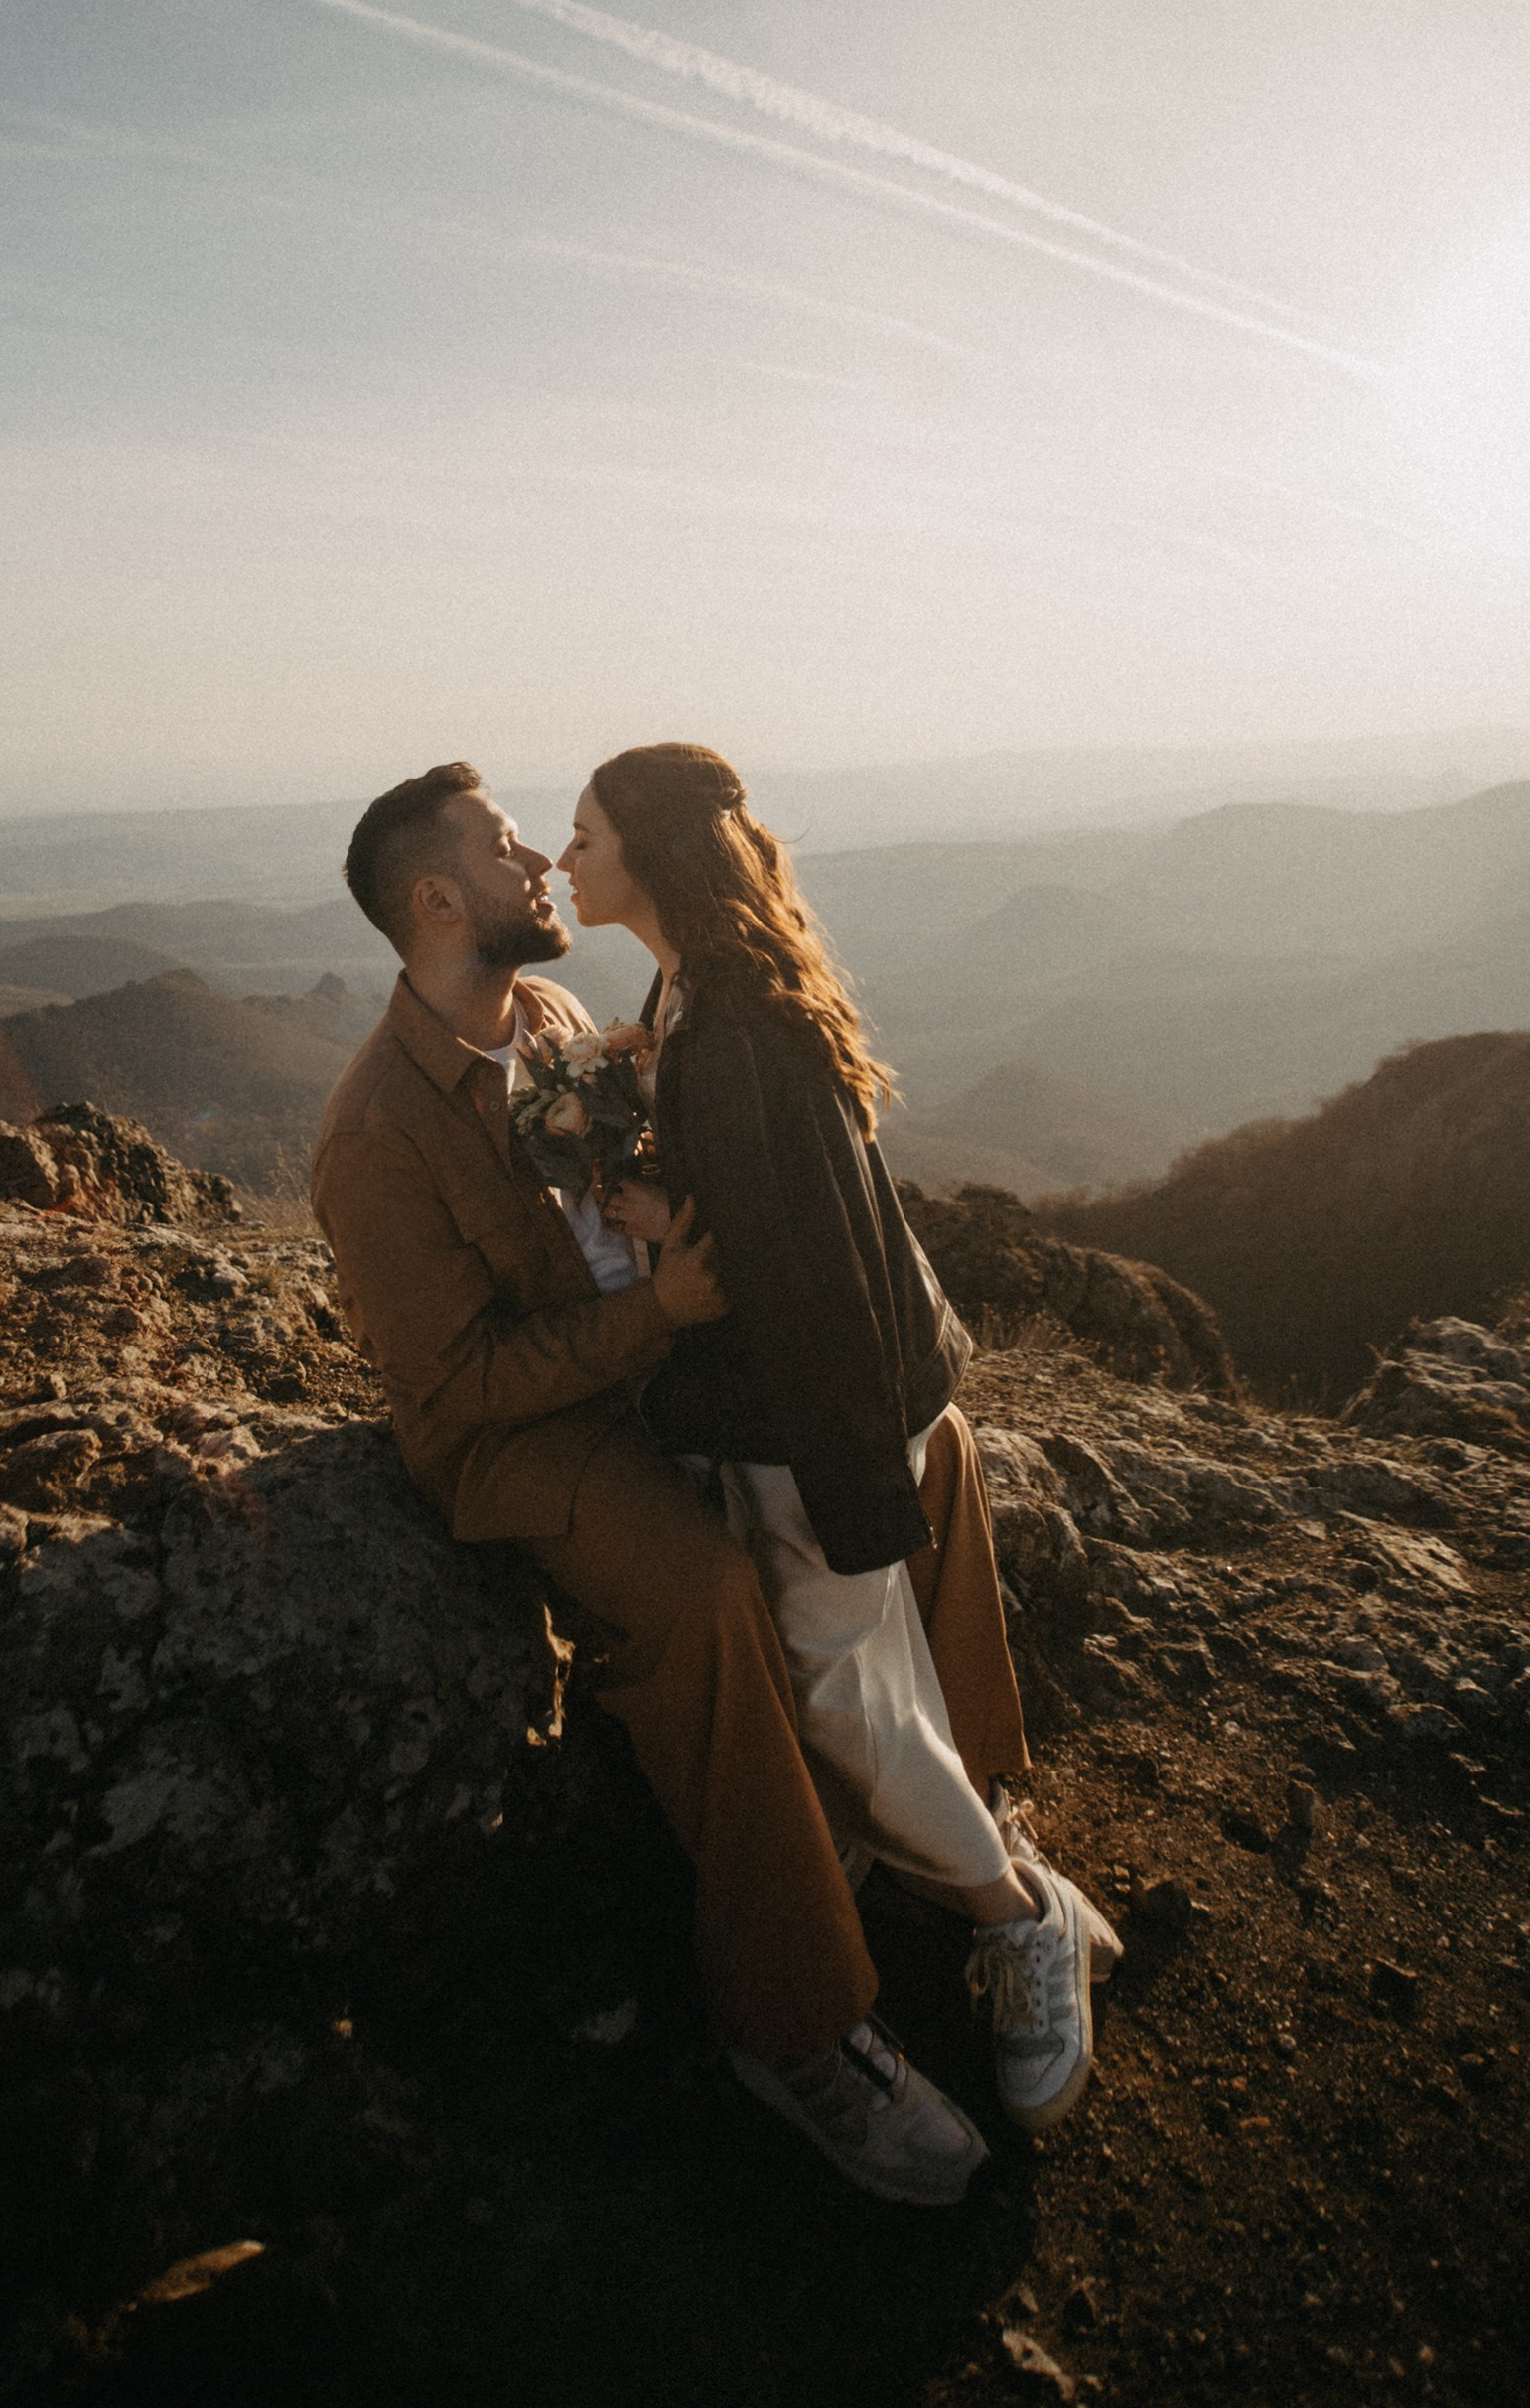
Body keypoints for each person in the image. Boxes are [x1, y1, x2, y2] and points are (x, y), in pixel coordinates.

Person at [312, 761, 989, 2205]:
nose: (542, 867)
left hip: (648, 1364)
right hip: (531, 1439)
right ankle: (798, 2029)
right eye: (508, 851)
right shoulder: (376, 1136)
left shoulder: (551, 1018)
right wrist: (657, 1321)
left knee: (928, 1444)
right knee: (711, 1596)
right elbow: (451, 1394)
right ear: (437, 902)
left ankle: (969, 1818)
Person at [559, 742, 1119, 2134]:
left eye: (584, 838)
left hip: (808, 1426)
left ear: (652, 858)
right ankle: (965, 1871)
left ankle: (1018, 1917)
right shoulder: (699, 991)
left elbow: (803, 1279)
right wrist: (660, 1170)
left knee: (842, 1706)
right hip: (809, 1415)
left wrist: (857, 1493)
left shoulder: (731, 1030)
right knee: (863, 1692)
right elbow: (777, 1202)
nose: (566, 862)